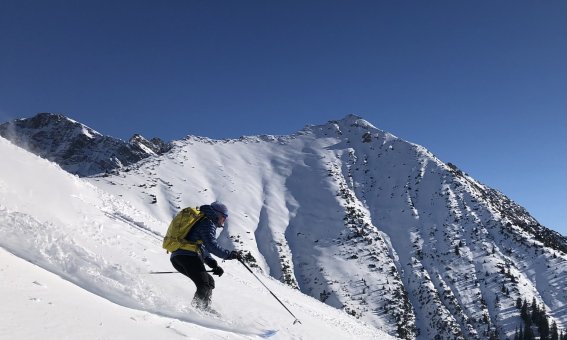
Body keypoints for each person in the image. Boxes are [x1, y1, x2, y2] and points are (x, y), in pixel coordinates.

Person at [170, 201, 243, 310]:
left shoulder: (204, 220)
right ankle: (197, 310)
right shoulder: (208, 223)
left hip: (179, 256)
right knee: (203, 284)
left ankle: (204, 308)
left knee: (209, 281)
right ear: (217, 215)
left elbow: (199, 245)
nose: (224, 220)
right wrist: (229, 255)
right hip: (187, 256)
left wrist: (212, 263)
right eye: (224, 216)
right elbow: (211, 245)